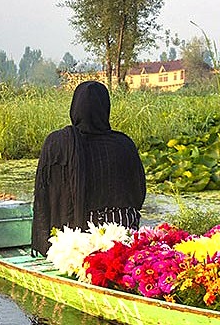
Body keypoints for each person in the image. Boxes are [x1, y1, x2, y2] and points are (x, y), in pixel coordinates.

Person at [31, 80, 146, 255]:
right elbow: (138, 194)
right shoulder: (124, 143)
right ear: (105, 108)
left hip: (75, 241)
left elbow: (43, 195)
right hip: (122, 235)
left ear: (75, 108)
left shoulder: (57, 143)